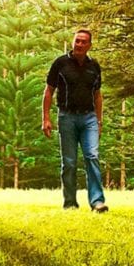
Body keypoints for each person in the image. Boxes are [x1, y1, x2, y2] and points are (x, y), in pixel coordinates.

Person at [42, 29, 108, 212]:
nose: (79, 44)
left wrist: (99, 121)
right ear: (72, 42)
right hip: (67, 117)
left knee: (92, 156)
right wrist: (46, 118)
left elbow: (97, 95)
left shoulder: (94, 66)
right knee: (69, 162)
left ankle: (97, 202)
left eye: (83, 42)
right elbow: (48, 91)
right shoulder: (60, 63)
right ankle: (70, 203)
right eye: (77, 41)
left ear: (89, 45)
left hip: (89, 118)